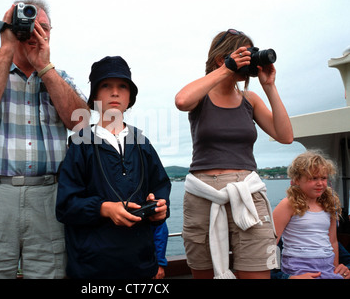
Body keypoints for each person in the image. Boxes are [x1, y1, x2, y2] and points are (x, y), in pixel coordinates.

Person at [0, 0, 89, 279]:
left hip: (49, 196)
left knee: (52, 274)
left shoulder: (60, 78)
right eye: (29, 25)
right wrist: (6, 47)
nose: (38, 33)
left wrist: (45, 68)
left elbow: (81, 122)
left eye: (45, 28)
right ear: (11, 27)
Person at [175, 29, 293, 279]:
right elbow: (182, 100)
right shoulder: (201, 96)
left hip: (247, 193)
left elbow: (285, 136)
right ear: (221, 58)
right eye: (243, 53)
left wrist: (269, 87)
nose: (250, 59)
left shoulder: (250, 99)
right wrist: (227, 68)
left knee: (257, 270)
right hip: (203, 194)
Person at [56, 56, 171, 279]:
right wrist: (104, 208)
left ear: (130, 97)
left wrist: (159, 209)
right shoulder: (80, 144)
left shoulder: (142, 143)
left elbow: (160, 186)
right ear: (95, 97)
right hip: (92, 268)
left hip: (141, 266)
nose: (115, 92)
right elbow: (65, 206)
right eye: (106, 85)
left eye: (122, 86)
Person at [272, 151, 344, 279]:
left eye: (324, 178)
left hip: (327, 268)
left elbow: (333, 241)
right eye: (314, 178)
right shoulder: (288, 204)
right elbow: (271, 243)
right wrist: (283, 277)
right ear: (297, 180)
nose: (320, 183)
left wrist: (336, 269)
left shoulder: (329, 204)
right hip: (298, 268)